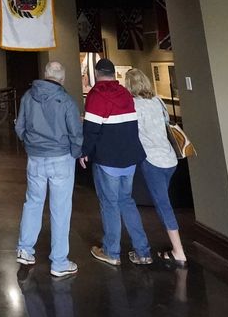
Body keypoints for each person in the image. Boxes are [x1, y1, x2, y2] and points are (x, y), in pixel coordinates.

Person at [80, 58, 152, 266]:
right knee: (127, 202)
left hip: (107, 160)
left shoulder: (96, 95)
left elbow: (91, 129)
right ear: (113, 74)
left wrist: (85, 152)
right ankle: (143, 251)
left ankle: (111, 252)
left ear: (97, 73)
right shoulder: (126, 95)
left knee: (109, 204)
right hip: (129, 159)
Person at [15, 61, 84, 278]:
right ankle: (59, 262)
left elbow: (20, 127)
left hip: (35, 158)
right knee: (60, 209)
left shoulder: (28, 97)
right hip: (61, 158)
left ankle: (25, 250)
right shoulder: (66, 101)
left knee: (33, 203)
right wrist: (75, 152)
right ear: (62, 79)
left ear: (45, 75)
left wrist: (30, 144)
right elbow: (75, 133)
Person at [125, 68, 188, 268]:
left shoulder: (134, 105)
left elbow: (132, 132)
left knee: (163, 205)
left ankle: (178, 251)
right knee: (164, 201)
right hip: (170, 158)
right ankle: (176, 247)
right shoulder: (158, 101)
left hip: (153, 160)